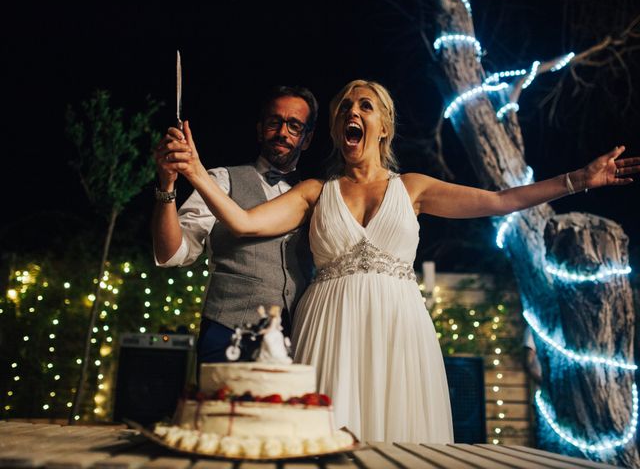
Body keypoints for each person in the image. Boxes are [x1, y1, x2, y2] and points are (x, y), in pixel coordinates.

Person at [156, 79, 639, 443]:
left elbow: (498, 200)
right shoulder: (314, 192)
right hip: (328, 327)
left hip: (399, 328)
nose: (353, 110)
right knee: (322, 440)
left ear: (383, 125)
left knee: (401, 439)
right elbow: (242, 223)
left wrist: (577, 178)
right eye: (346, 105)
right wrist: (195, 173)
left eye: (365, 105)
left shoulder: (413, 188)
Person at [152, 86, 318, 365]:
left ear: (307, 138)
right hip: (228, 334)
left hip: (297, 340)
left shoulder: (316, 197)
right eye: (274, 122)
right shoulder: (220, 181)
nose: (282, 133)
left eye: (294, 125)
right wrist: (167, 185)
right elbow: (171, 254)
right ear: (259, 129)